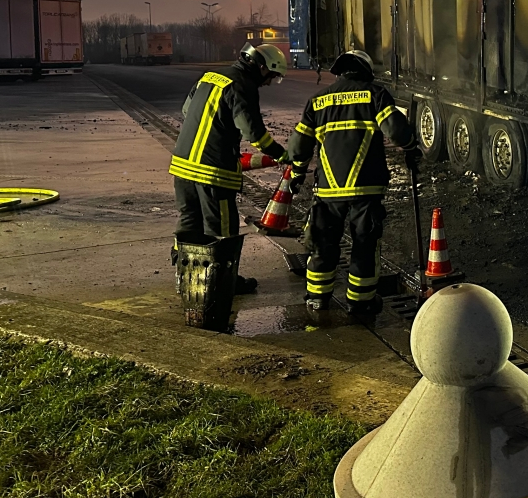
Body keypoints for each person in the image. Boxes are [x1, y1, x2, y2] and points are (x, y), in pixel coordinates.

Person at [286, 49, 418, 318]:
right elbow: (396, 132)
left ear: (340, 72)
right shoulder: (375, 94)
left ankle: (317, 299)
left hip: (328, 190)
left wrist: (297, 174)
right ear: (366, 71)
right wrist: (411, 147)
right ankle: (360, 303)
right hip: (365, 189)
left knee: (323, 244)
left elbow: (299, 147)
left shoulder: (317, 101)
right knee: (364, 245)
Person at [169, 42, 289, 292]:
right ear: (261, 67)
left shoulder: (210, 76)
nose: (269, 82)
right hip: (213, 172)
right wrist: (280, 154)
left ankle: (187, 276)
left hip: (182, 165)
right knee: (222, 229)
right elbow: (253, 132)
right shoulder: (243, 85)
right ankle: (224, 283)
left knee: (189, 222)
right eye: (271, 76)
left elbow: (186, 110)